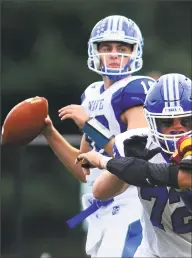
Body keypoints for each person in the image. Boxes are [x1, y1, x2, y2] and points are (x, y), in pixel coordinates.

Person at [42, 15, 155, 257]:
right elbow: (84, 168)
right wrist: (49, 133)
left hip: (132, 203)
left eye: (122, 48)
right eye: (107, 48)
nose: (115, 54)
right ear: (95, 51)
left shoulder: (136, 90)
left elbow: (136, 160)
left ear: (136, 51)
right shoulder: (91, 94)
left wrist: (90, 125)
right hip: (101, 208)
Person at [76, 73, 192, 257]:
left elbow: (164, 174)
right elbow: (100, 191)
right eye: (167, 122)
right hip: (153, 251)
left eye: (186, 121)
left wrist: (106, 161)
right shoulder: (139, 142)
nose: (177, 129)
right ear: (152, 121)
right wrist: (122, 166)